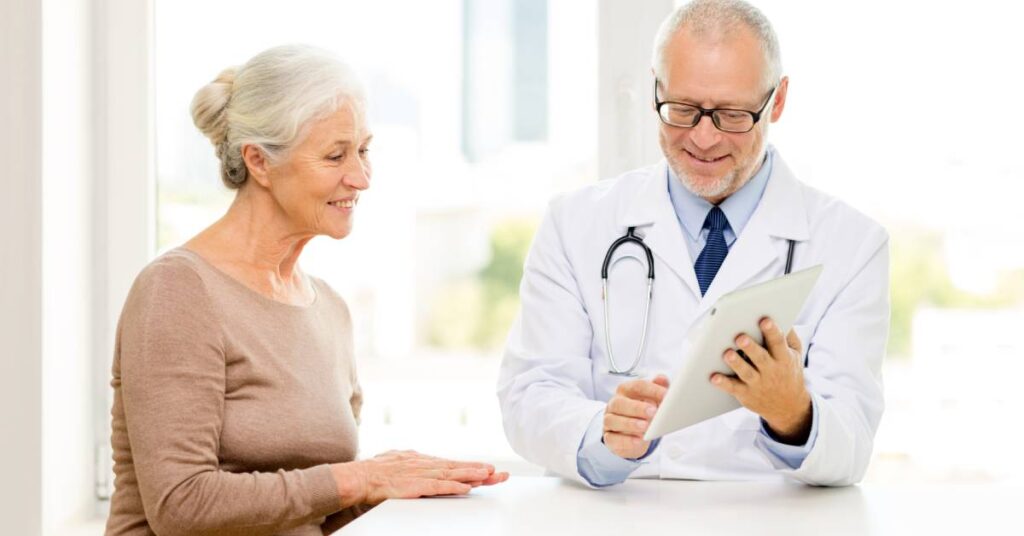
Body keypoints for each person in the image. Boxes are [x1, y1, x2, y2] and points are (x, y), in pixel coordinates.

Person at [106, 45, 507, 536]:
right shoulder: (178, 290)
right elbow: (181, 505)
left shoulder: (329, 309)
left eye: (363, 149)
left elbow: (315, 508)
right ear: (259, 162)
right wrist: (358, 478)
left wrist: (399, 485)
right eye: (335, 155)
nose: (360, 177)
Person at [498, 0, 888, 488]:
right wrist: (600, 434)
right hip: (619, 518)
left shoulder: (852, 245)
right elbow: (528, 394)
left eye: (731, 114)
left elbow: (852, 443)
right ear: (654, 91)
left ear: (778, 101)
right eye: (682, 109)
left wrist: (794, 413)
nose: (703, 139)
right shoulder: (574, 223)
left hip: (768, 521)